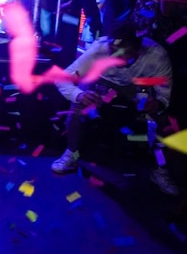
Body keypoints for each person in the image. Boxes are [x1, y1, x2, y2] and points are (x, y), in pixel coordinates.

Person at [51, 22, 178, 195]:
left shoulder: (156, 55)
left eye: (124, 53)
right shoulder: (99, 49)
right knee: (78, 105)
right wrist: (79, 95)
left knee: (161, 117)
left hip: (136, 85)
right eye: (113, 51)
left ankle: (159, 169)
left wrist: (158, 103)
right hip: (101, 81)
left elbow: (164, 92)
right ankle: (71, 154)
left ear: (138, 50)